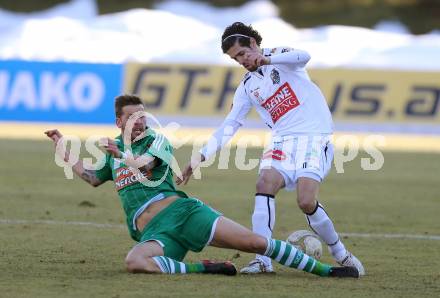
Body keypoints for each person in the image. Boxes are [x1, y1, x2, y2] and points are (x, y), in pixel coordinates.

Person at [45, 94, 359, 278]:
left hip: (184, 214)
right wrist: (61, 147)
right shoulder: (113, 153)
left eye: (141, 116)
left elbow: (147, 166)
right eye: (131, 117)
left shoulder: (156, 141)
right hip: (157, 233)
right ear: (118, 122)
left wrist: (123, 155)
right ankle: (206, 268)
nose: (138, 121)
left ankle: (328, 271)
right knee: (135, 262)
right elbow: (90, 177)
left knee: (254, 243)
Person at [177, 22, 365, 275]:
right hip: (281, 140)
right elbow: (230, 124)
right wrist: (201, 155)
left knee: (306, 201)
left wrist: (267, 59)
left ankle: (340, 252)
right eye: (236, 59)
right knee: (264, 183)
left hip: (313, 137)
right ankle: (262, 261)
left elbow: (305, 56)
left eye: (242, 54)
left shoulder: (282, 57)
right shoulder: (247, 86)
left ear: (253, 44)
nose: (241, 61)